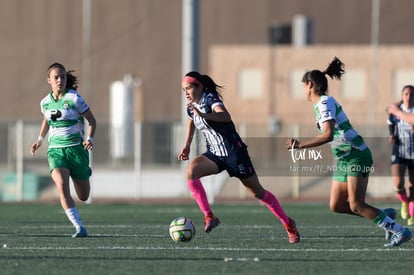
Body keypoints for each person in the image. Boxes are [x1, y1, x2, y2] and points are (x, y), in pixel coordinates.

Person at [285, 57, 411, 247]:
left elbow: (327, 135)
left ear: (310, 85)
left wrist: (301, 145)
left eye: (304, 85)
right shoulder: (321, 104)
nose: (303, 89)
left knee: (356, 204)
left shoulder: (324, 103)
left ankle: (399, 230)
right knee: (337, 205)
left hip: (356, 154)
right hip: (345, 158)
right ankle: (383, 215)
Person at [178, 71, 300, 243]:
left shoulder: (210, 99)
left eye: (189, 88)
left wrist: (204, 115)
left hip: (235, 154)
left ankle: (288, 224)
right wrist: (187, 145)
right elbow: (192, 120)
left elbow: (225, 116)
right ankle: (209, 216)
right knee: (191, 172)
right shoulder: (192, 106)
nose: (186, 93)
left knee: (258, 193)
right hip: (215, 155)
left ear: (200, 87)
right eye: (184, 90)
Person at [31, 62, 96, 238]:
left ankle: (83, 172)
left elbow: (92, 121)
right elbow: (47, 119)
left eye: (63, 77)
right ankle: (79, 227)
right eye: (56, 77)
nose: (60, 80)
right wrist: (39, 139)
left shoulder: (74, 98)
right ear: (49, 80)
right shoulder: (44, 102)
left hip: (76, 151)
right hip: (56, 151)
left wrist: (89, 139)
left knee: (83, 196)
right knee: (61, 185)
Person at [387, 85, 414, 225]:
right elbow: (390, 118)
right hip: (400, 150)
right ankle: (404, 201)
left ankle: (412, 214)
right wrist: (391, 134)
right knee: (398, 183)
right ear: (402, 96)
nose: (408, 97)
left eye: (411, 94)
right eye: (406, 94)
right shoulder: (397, 110)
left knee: (412, 186)